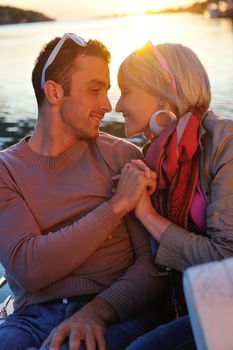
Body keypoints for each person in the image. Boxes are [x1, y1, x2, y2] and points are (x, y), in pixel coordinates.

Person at [0, 33, 167, 350]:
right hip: (30, 318)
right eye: (95, 90)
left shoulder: (122, 157)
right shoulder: (5, 170)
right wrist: (116, 206)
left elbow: (153, 265)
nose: (107, 105)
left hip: (114, 309)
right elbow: (28, 268)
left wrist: (98, 312)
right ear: (54, 92)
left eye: (107, 91)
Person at [112, 41, 233, 349]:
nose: (117, 106)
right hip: (178, 301)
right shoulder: (155, 158)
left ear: (163, 88)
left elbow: (225, 260)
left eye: (126, 90)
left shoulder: (224, 143)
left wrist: (146, 215)